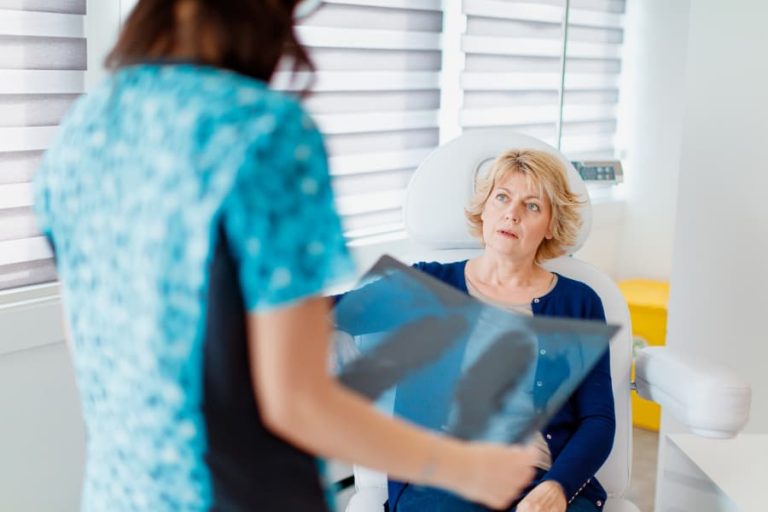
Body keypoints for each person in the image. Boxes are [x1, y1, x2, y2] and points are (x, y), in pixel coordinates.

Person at [32, 1, 536, 510]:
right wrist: (466, 467)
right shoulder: (262, 130)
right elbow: (297, 403)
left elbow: (98, 367)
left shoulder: (82, 129)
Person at [390, 149, 616, 512]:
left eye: (532, 206)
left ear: (550, 227)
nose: (512, 212)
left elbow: (598, 420)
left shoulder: (580, 303)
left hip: (541, 482)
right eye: (502, 197)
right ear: (484, 208)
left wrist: (557, 487)